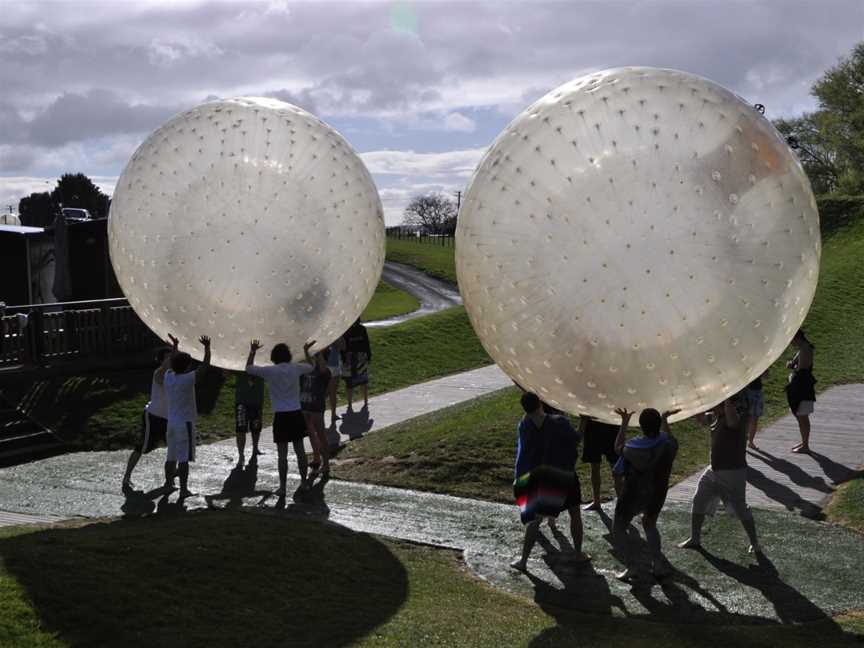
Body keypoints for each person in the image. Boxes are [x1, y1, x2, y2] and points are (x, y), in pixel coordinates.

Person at [510, 392, 590, 572]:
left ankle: (523, 561)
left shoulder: (524, 425)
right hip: (563, 474)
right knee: (574, 512)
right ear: (541, 402)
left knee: (535, 520)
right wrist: (584, 420)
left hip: (539, 478)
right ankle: (578, 554)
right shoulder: (559, 423)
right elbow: (576, 439)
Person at [678, 395, 763, 555]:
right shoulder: (716, 416)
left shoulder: (738, 416)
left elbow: (732, 423)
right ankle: (695, 538)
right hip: (714, 470)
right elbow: (702, 420)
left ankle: (755, 543)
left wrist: (725, 401)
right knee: (699, 499)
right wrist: (692, 407)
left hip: (733, 472)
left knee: (740, 508)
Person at [611, 407, 679, 581]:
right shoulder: (668, 444)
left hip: (633, 493)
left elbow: (617, 447)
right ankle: (657, 565)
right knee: (650, 525)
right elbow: (672, 439)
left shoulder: (633, 447)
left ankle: (631, 566)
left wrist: (624, 422)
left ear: (641, 426)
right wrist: (665, 421)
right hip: (657, 492)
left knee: (618, 528)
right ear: (658, 425)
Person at [246, 339, 315, 496]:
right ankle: (304, 483)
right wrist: (306, 351)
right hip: (296, 413)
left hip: (281, 416)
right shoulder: (296, 368)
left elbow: (249, 368)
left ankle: (283, 488)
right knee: (300, 451)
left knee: (282, 455)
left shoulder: (270, 371)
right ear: (289, 355)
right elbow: (312, 367)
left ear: (273, 357)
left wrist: (253, 351)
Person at [121, 335, 178, 491]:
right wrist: (175, 347)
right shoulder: (158, 374)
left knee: (174, 448)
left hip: (168, 419)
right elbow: (167, 366)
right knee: (142, 448)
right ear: (162, 361)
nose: (171, 360)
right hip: (153, 417)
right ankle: (126, 477)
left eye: (172, 357)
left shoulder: (175, 375)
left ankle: (170, 481)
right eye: (167, 358)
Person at [163, 334, 211, 499]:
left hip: (171, 424)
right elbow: (205, 367)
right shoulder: (187, 379)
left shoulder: (168, 377)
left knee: (171, 456)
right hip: (185, 424)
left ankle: (169, 485)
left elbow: (171, 363)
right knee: (183, 459)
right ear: (187, 366)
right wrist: (207, 347)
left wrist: (175, 347)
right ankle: (183, 490)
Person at [300, 350, 332, 481]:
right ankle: (316, 458)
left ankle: (326, 464)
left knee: (320, 433)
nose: (315, 359)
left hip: (317, 407)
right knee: (311, 433)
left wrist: (318, 354)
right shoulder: (309, 368)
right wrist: (307, 351)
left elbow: (323, 368)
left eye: (318, 357)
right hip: (305, 405)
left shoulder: (325, 372)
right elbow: (308, 361)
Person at [580, 416, 622, 511]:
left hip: (611, 426)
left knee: (616, 469)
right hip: (593, 427)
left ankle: (622, 503)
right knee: (594, 467)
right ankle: (596, 501)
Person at [786, 329, 816, 453]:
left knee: (802, 416)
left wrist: (792, 366)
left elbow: (801, 368)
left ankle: (805, 445)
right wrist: (793, 364)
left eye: (791, 340)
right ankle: (804, 442)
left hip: (802, 387)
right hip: (800, 386)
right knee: (800, 416)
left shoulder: (804, 349)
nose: (790, 343)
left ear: (796, 338)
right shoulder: (803, 348)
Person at [234, 370, 265, 465]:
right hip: (241, 402)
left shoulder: (261, 362)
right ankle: (241, 455)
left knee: (256, 428)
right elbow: (226, 372)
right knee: (240, 429)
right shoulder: (239, 361)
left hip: (256, 401)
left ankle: (255, 448)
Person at [342, 319, 371, 410]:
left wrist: (368, 356)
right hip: (352, 359)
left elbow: (366, 343)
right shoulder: (348, 330)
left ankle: (363, 401)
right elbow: (344, 346)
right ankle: (351, 404)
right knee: (352, 383)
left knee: (360, 382)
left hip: (356, 358)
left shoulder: (360, 329)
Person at [743, 372, 766, 450]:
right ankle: (744, 441)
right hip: (746, 390)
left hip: (756, 391)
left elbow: (765, 376)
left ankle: (750, 442)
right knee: (746, 418)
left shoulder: (761, 362)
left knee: (754, 418)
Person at [326, 338, 345, 425]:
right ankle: (331, 415)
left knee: (332, 392)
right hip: (329, 366)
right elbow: (342, 346)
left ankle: (333, 415)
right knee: (329, 392)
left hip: (333, 365)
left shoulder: (336, 334)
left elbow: (343, 347)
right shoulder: (334, 333)